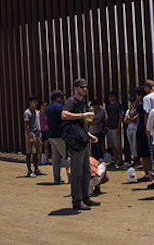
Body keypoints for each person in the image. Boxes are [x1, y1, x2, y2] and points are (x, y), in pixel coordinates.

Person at [62, 79, 99, 210]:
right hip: (76, 143)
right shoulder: (71, 102)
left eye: (86, 87)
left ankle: (85, 198)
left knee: (86, 171)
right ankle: (77, 201)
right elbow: (64, 115)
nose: (85, 89)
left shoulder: (82, 103)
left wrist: (89, 135)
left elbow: (81, 124)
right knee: (77, 173)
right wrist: (84, 114)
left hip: (83, 140)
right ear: (75, 88)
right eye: (82, 87)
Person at [46, 90, 67, 184]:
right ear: (57, 98)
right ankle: (71, 178)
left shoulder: (48, 107)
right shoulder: (59, 107)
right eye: (61, 97)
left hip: (51, 135)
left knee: (56, 159)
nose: (62, 99)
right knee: (68, 157)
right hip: (59, 135)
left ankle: (57, 179)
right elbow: (63, 119)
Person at [134, 87, 154, 183]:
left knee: (145, 155)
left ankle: (148, 173)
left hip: (142, 131)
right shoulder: (148, 105)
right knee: (147, 154)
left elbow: (131, 113)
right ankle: (149, 173)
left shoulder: (141, 105)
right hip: (146, 131)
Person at [23, 95, 44, 178]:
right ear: (30, 102)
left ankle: (36, 169)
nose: (36, 103)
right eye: (34, 102)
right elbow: (27, 125)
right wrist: (29, 136)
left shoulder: (36, 111)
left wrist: (40, 132)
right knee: (29, 153)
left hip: (38, 134)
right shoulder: (27, 112)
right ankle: (29, 170)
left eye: (36, 102)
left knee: (36, 153)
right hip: (31, 134)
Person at [106, 92, 124, 166]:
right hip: (110, 127)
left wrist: (119, 126)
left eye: (112, 96)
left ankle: (119, 159)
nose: (110, 98)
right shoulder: (109, 106)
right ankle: (115, 159)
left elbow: (120, 116)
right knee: (112, 145)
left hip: (115, 127)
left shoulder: (118, 106)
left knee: (117, 145)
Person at [124, 96, 139, 165]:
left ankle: (136, 158)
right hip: (129, 129)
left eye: (133, 102)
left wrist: (130, 119)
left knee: (134, 144)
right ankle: (134, 157)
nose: (132, 103)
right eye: (131, 102)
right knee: (131, 144)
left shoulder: (137, 111)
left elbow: (135, 120)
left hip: (135, 129)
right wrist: (131, 120)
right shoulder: (128, 111)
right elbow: (125, 120)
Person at [39, 101, 50, 165]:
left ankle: (47, 160)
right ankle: (39, 160)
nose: (45, 107)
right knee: (40, 146)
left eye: (46, 106)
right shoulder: (38, 114)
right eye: (43, 106)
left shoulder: (47, 114)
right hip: (40, 131)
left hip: (46, 131)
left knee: (46, 146)